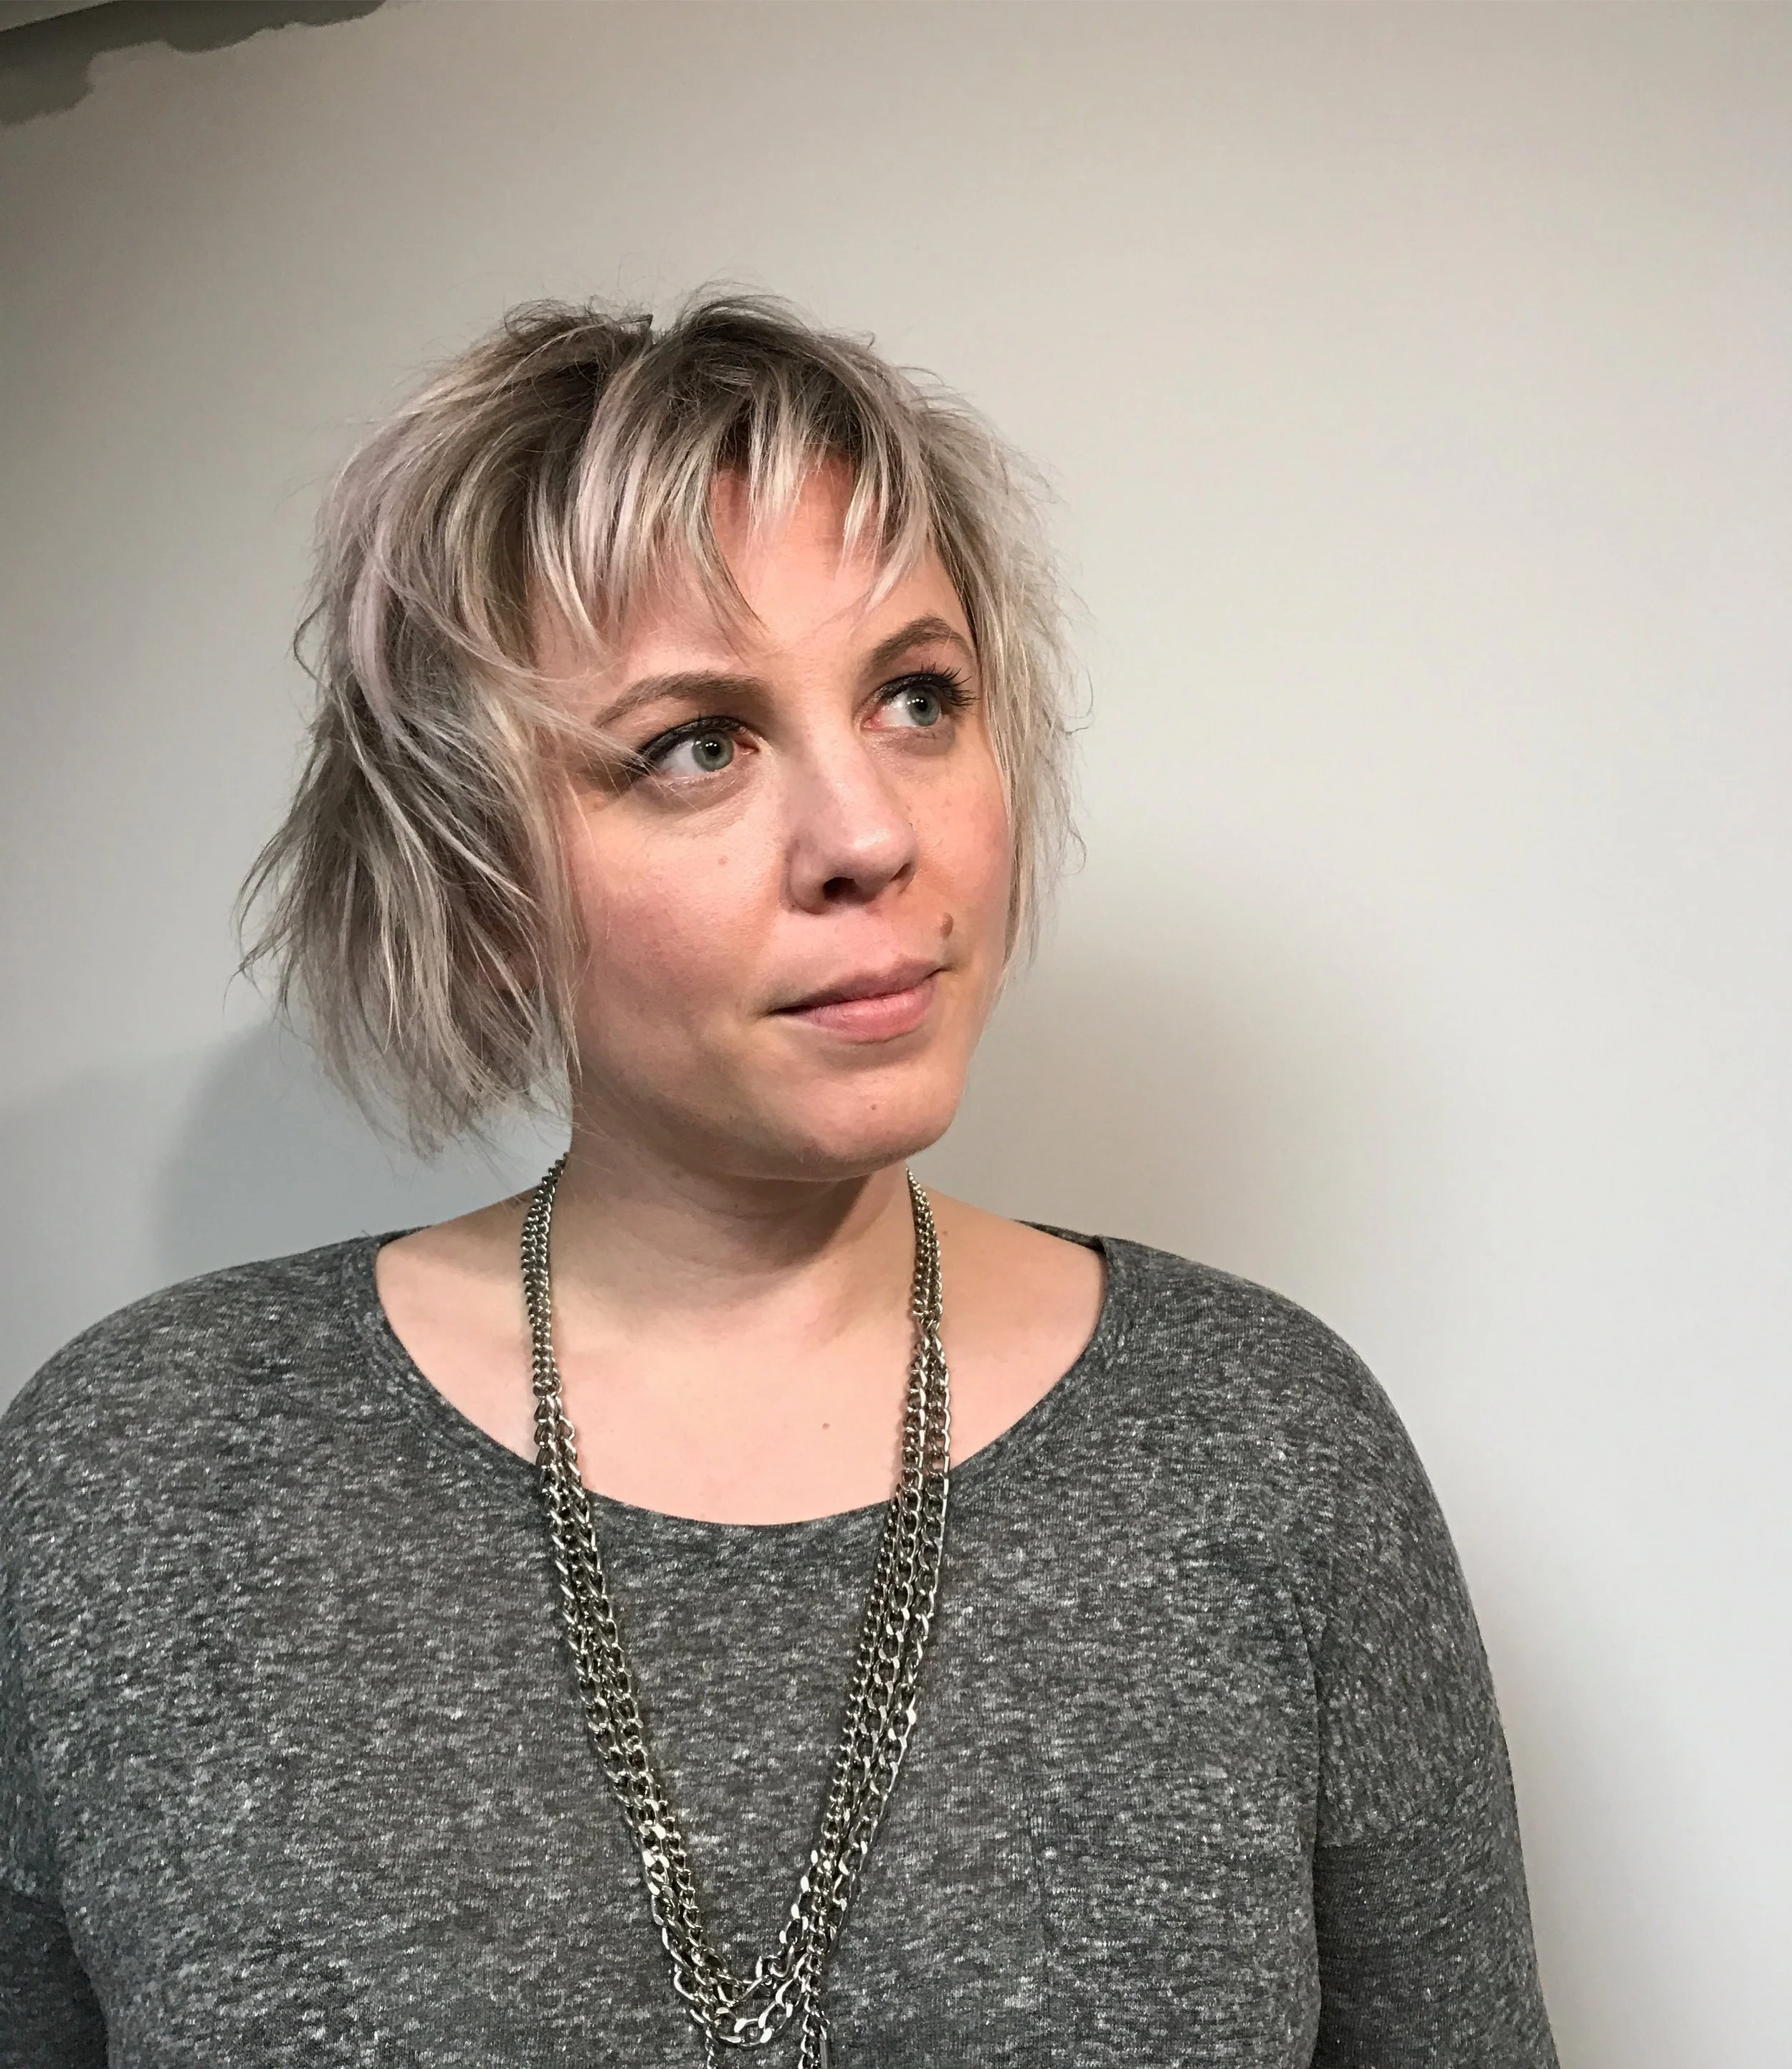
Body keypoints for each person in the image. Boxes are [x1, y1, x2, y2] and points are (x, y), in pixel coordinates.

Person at [0, 294, 1558, 2068]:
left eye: (916, 697)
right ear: (475, 878)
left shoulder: (1267, 1448)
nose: (870, 835)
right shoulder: (138, 1482)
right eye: (695, 743)